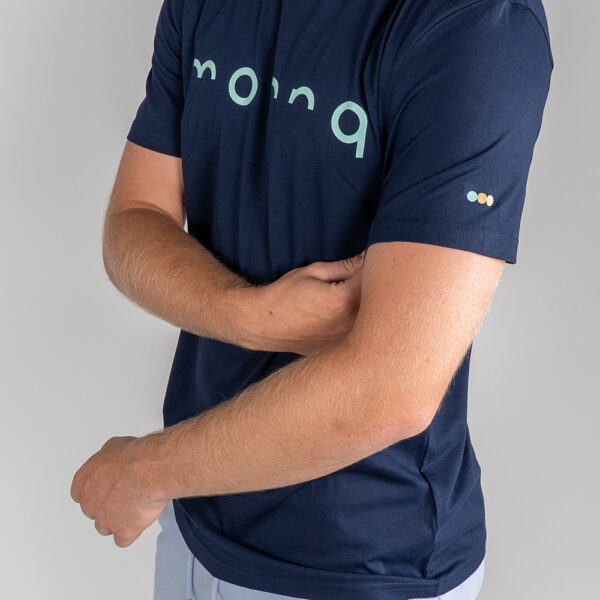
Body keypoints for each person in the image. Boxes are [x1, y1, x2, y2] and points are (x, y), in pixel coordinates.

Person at [70, 0, 553, 599]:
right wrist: (250, 316)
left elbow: (391, 389)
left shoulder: (477, 25)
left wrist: (146, 474)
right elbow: (135, 217)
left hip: (362, 564)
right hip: (194, 514)